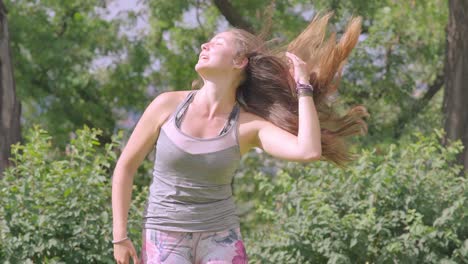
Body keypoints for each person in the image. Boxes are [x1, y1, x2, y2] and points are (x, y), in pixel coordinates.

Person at [111, 13, 368, 264]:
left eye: (217, 42)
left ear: (239, 62)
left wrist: (303, 87)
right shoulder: (166, 105)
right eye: (208, 42)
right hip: (164, 234)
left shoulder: (248, 126)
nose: (205, 45)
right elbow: (125, 167)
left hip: (220, 237)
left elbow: (308, 151)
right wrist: (119, 236)